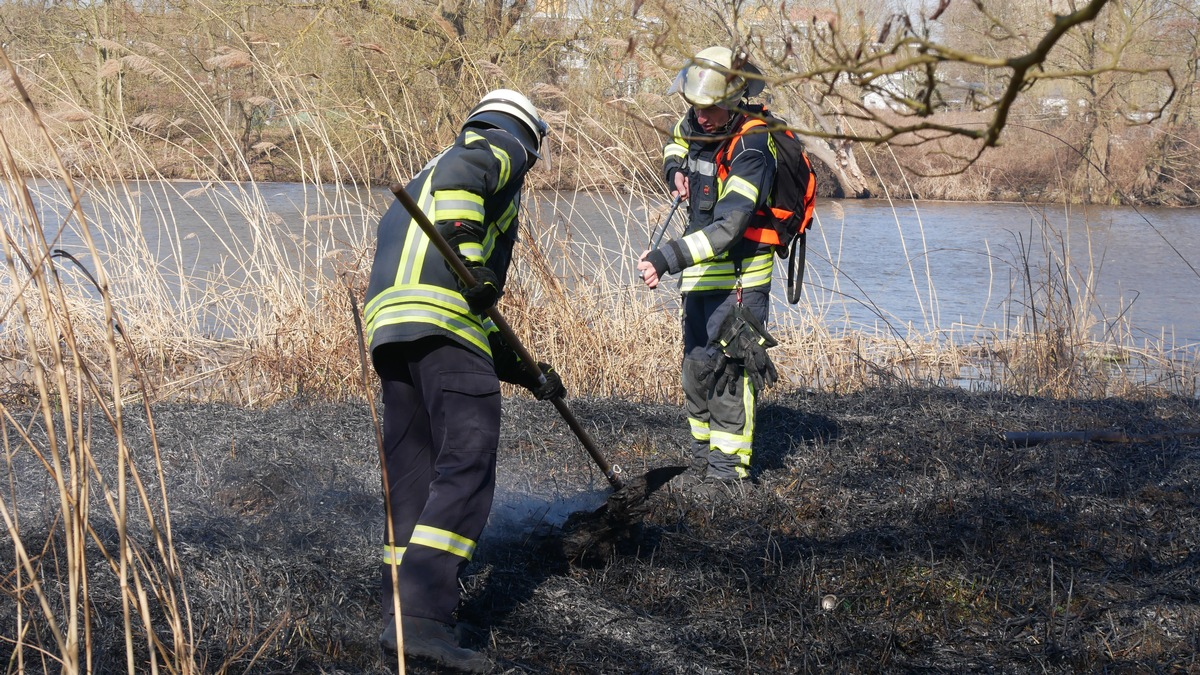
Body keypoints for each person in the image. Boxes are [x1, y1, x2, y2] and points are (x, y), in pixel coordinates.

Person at [364, 89, 564, 673]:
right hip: (443, 327)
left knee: (414, 471)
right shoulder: (497, 147)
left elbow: (476, 300)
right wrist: (474, 261)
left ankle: (399, 611)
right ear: (528, 137)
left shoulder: (421, 179)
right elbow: (463, 208)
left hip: (396, 331)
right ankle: (425, 620)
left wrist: (527, 373)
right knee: (467, 461)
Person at [638, 46, 779, 492]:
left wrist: (666, 258)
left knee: (729, 375)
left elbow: (730, 226)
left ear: (735, 100)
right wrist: (674, 167)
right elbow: (677, 138)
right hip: (701, 278)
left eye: (711, 107)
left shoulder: (753, 147)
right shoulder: (698, 123)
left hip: (740, 282)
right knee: (697, 371)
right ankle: (703, 464)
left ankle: (728, 476)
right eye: (695, 105)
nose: (701, 116)